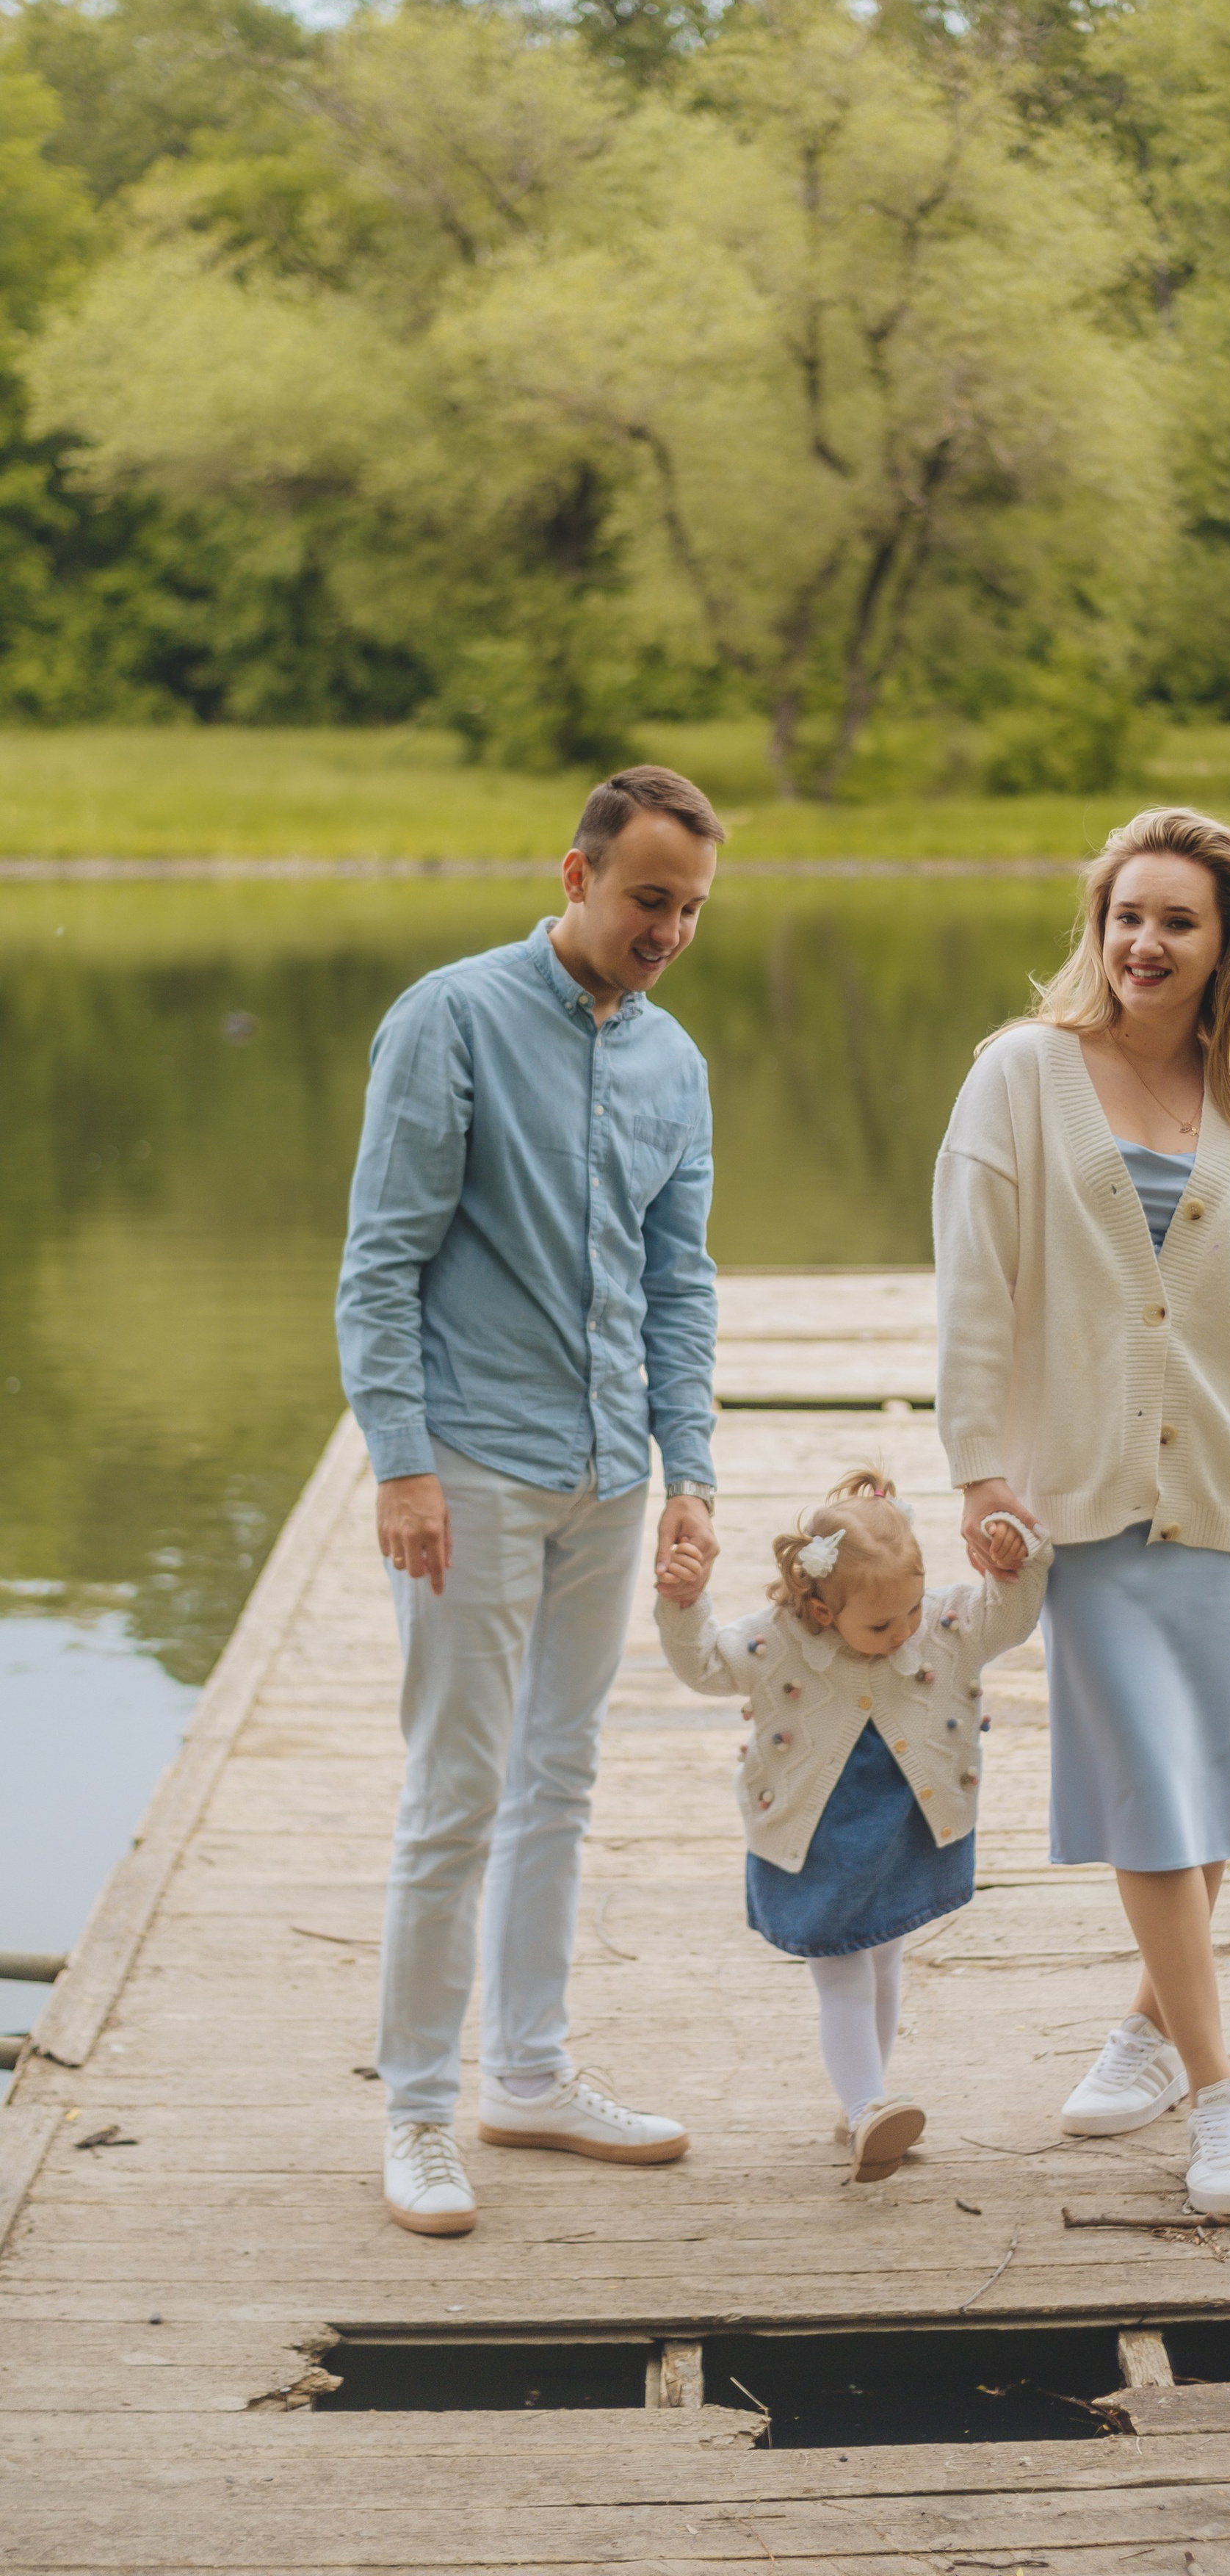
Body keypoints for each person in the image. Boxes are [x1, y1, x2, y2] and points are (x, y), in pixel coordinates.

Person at [932, 805, 1230, 2220]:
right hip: (1089, 1496)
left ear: (1226, 942)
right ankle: (1221, 2099)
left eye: (1178, 921)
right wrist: (978, 1468)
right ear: (1098, 924)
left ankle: (1144, 2031)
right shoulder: (1024, 1075)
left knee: (1214, 1797)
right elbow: (975, 1285)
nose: (1145, 943)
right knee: (1147, 1795)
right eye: (1127, 915)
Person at [336, 765, 726, 2237]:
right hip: (476, 1470)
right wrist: (402, 1462)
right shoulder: (449, 1019)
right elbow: (380, 1260)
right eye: (645, 899)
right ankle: (420, 2115)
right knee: (457, 1792)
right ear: (573, 876)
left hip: (609, 1478)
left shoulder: (672, 1061)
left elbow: (679, 1277)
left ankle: (533, 2077)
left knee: (559, 1782)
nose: (666, 930)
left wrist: (689, 1471)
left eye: (688, 908)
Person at [655, 1468, 1050, 2184]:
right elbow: (706, 1665)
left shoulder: (939, 1624)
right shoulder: (778, 1642)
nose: (903, 1632)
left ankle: (861, 2097)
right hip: (819, 1837)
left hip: (906, 1824)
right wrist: (684, 1603)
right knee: (841, 1972)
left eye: (910, 1612)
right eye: (880, 1625)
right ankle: (868, 2102)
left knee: (883, 1955)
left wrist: (1016, 1556)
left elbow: (1011, 1617)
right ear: (816, 1605)